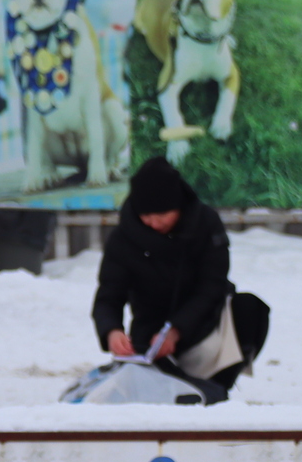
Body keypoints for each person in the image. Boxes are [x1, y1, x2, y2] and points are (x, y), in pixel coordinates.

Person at [92, 158, 269, 393]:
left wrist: (176, 330)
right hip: (150, 337)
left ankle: (217, 387)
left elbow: (212, 285)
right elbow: (108, 294)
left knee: (250, 309)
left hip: (204, 324)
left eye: (162, 214)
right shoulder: (123, 238)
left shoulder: (205, 223)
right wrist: (112, 330)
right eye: (146, 216)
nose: (154, 223)